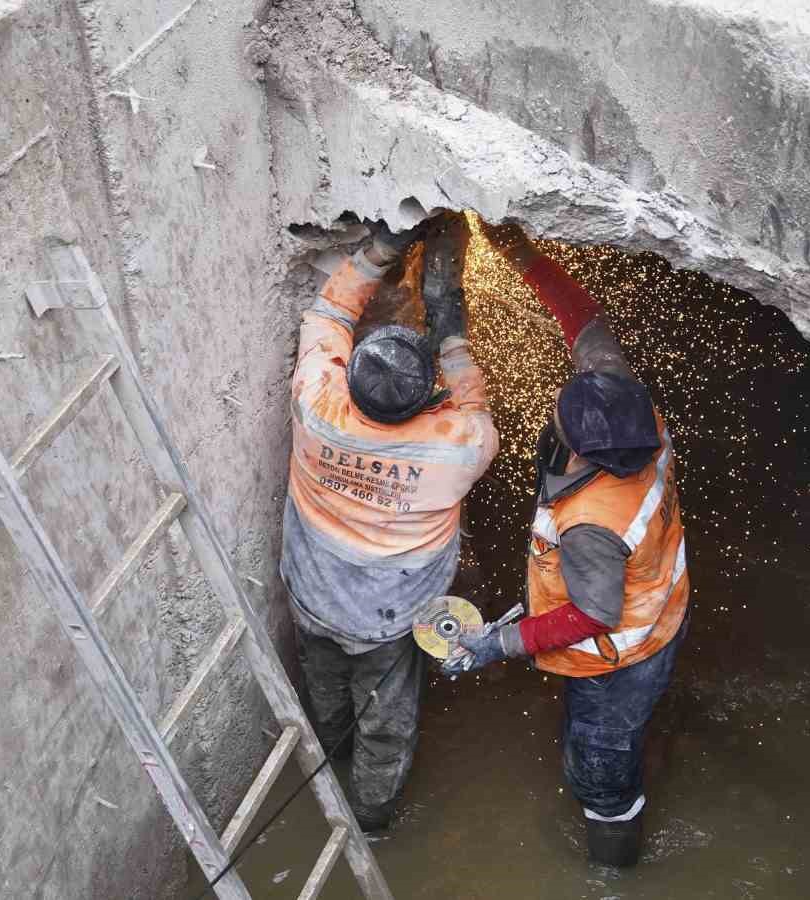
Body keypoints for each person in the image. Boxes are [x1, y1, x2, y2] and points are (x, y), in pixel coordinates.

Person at [444, 224, 690, 867]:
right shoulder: (629, 410)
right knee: (628, 729)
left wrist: (496, 645)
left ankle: (613, 865)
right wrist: (522, 255)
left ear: (583, 449)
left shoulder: (591, 526)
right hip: (661, 614)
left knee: (600, 772)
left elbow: (592, 615)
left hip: (617, 657)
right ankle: (645, 739)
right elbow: (586, 323)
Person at [281, 215, 497, 832]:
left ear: (353, 378)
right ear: (426, 397)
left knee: (323, 688)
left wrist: (384, 248)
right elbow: (472, 400)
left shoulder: (317, 405)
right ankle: (372, 820)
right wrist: (449, 325)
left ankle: (328, 759)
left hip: (311, 594)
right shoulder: (458, 446)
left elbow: (328, 316)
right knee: (386, 720)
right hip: (389, 621)